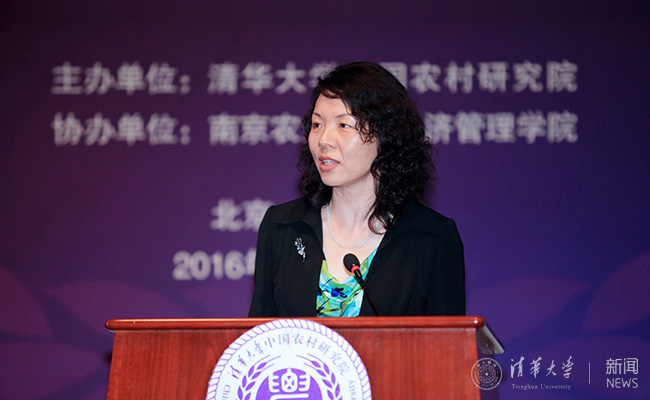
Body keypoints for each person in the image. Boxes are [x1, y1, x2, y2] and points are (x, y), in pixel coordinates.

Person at [249, 61, 465, 317]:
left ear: (386, 135)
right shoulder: (282, 226)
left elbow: (447, 341)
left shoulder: (432, 238)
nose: (324, 140)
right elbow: (259, 334)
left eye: (344, 125)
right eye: (317, 125)